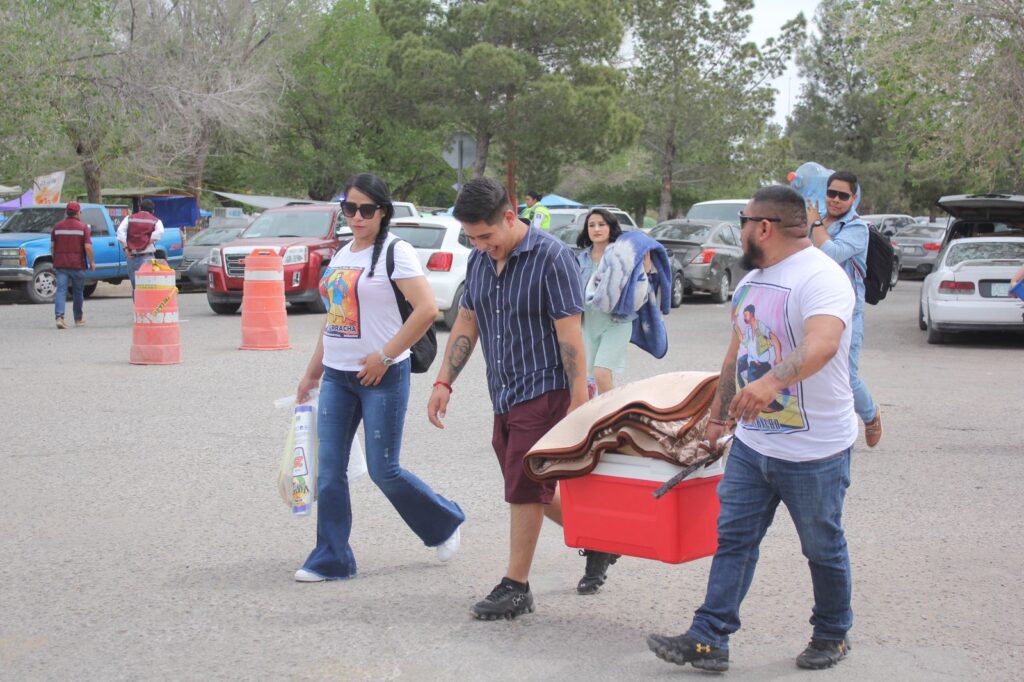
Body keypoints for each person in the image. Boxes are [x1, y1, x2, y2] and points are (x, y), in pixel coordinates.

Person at [647, 185, 858, 672]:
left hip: (814, 451)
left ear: (763, 227)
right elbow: (735, 353)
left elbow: (824, 343)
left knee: (822, 547)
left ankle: (832, 633)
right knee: (734, 540)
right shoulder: (752, 280)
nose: (739, 231)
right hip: (751, 444)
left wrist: (771, 383)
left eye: (743, 221)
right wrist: (717, 417)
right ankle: (709, 638)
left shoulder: (822, 277)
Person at [428, 177, 620, 618]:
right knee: (531, 486)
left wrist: (578, 401)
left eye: (486, 236)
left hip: (545, 389)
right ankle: (601, 540)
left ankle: (516, 586)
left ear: (510, 217)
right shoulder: (479, 260)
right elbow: (467, 321)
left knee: (524, 486)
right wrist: (443, 382)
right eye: (472, 238)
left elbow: (570, 334)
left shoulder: (552, 258)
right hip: (504, 391)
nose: (481, 246)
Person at [293, 173, 464, 582]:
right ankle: (332, 558)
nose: (357, 216)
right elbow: (333, 320)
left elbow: (427, 310)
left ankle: (443, 522)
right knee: (329, 471)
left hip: (383, 376)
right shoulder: (342, 254)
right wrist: (312, 373)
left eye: (366, 209)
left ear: (382, 211)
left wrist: (385, 357)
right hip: (338, 377)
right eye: (349, 208)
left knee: (383, 470)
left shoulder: (395, 251)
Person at [806, 171, 882, 447]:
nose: (836, 200)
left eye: (843, 195)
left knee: (846, 376)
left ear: (853, 197)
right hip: (813, 307)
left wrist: (814, 223)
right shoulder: (814, 222)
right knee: (810, 370)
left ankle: (870, 414)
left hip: (847, 312)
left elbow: (833, 254)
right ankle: (820, 428)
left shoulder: (856, 228)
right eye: (831, 193)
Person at [575, 208, 648, 396]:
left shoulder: (622, 255)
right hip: (588, 325)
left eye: (601, 224)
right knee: (592, 378)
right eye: (591, 225)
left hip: (616, 323)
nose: (596, 229)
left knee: (601, 374)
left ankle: (615, 413)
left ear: (611, 227)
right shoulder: (580, 258)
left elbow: (641, 281)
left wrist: (646, 261)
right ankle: (603, 412)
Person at [50, 201, 95, 329]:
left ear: (66, 212)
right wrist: (92, 261)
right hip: (77, 265)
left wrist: (55, 258)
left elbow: (52, 247)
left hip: (61, 264)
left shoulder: (57, 227)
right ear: (77, 213)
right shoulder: (83, 227)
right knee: (78, 292)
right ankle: (78, 319)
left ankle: (59, 318)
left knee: (61, 291)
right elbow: (88, 247)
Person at [117, 198, 164, 292]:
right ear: (153, 211)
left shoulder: (129, 218)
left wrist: (126, 248)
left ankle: (138, 302)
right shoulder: (156, 221)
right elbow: (160, 231)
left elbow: (120, 231)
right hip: (148, 257)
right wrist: (148, 242)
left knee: (136, 288)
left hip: (132, 258)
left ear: (139, 208)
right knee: (149, 287)